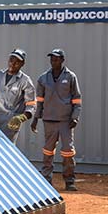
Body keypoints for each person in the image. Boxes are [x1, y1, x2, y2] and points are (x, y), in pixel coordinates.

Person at [31, 48, 82, 191]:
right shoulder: (43, 78)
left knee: (68, 151)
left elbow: (77, 99)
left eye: (56, 58)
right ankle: (47, 181)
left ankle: (69, 181)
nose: (53, 61)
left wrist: (75, 117)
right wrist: (36, 118)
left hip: (66, 121)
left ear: (62, 60)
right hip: (49, 120)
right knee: (48, 151)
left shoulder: (70, 77)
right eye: (52, 58)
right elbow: (39, 101)